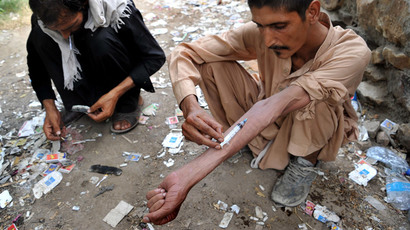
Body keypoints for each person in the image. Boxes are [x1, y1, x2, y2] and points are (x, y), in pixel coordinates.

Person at [144, 0, 371, 225]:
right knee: (208, 62)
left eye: (279, 26)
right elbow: (185, 52)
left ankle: (305, 162)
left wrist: (189, 174)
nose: (268, 40)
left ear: (312, 12)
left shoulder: (352, 51)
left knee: (317, 98)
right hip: (264, 113)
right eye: (260, 26)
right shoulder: (263, 34)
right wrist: (189, 106)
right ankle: (241, 138)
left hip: (309, 124)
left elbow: (276, 105)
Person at [26, 0, 165, 140]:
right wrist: (50, 108)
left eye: (71, 25)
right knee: (42, 37)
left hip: (110, 56)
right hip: (84, 61)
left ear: (84, 3)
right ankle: (80, 102)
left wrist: (115, 94)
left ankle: (127, 102)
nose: (65, 36)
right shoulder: (42, 18)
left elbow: (154, 58)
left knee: (101, 40)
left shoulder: (117, 7)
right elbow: (36, 65)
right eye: (56, 29)